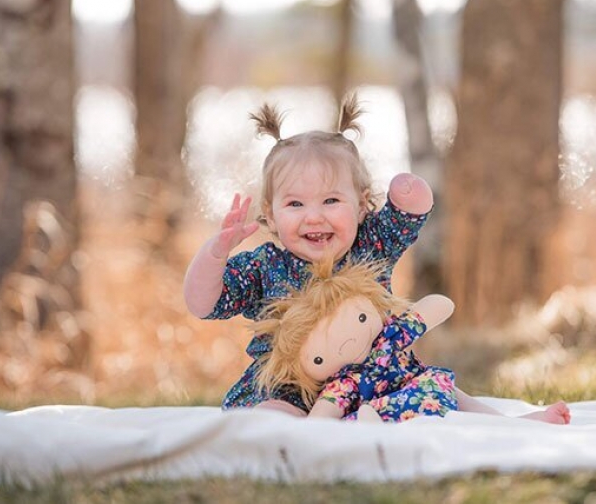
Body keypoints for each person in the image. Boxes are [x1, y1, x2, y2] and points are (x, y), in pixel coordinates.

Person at [184, 93, 432, 416]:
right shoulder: (265, 265)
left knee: (430, 386)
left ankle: (498, 421)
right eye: (295, 204)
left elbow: (408, 218)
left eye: (330, 201)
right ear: (271, 216)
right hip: (291, 389)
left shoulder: (372, 245)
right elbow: (202, 304)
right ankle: (287, 440)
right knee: (274, 412)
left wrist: (408, 193)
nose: (313, 217)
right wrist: (215, 254)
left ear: (360, 205)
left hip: (374, 380)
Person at [252, 259, 571, 424]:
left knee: (454, 391)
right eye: (319, 358)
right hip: (378, 410)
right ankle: (375, 434)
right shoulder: (344, 383)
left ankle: (516, 423)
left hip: (422, 386)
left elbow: (434, 308)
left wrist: (421, 312)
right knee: (360, 418)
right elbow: (323, 416)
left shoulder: (388, 338)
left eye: (360, 318)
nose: (347, 341)